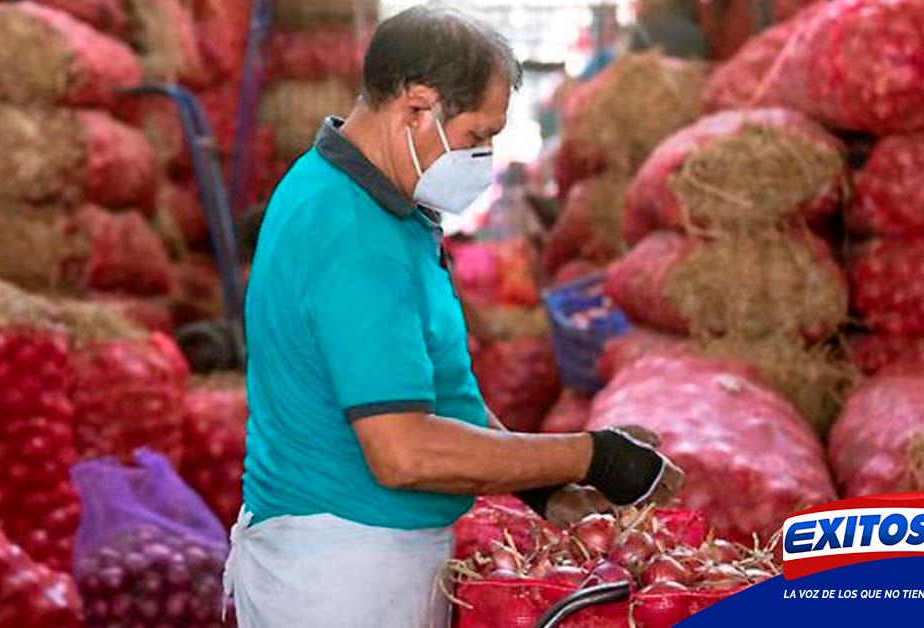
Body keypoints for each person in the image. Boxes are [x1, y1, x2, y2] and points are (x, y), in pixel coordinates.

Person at [223, 7, 683, 628]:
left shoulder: (381, 206)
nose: (483, 156)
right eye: (475, 137)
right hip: (340, 576)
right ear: (417, 108)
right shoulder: (352, 232)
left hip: (370, 559)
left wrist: (538, 485)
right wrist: (591, 456)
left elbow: (435, 388)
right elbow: (404, 452)